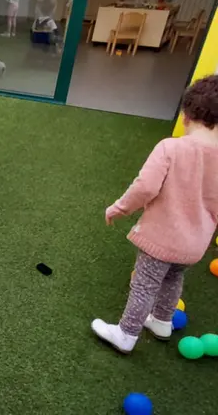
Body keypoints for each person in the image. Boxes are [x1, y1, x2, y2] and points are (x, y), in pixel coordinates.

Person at [91, 75, 218, 354]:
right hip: (194, 245)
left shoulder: (171, 148)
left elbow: (145, 187)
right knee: (173, 277)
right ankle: (162, 321)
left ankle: (126, 334)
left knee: (144, 283)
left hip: (162, 237)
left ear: (186, 116)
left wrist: (119, 208)